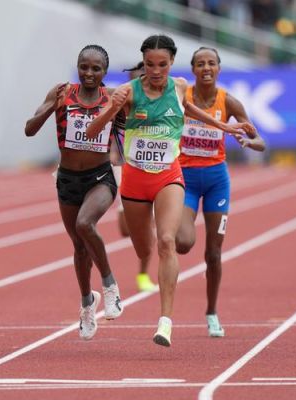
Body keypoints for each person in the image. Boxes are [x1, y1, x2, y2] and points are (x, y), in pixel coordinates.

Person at [86, 34, 255, 347]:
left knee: (167, 240)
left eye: (162, 64)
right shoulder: (128, 92)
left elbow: (189, 109)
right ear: (144, 63)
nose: (156, 70)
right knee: (143, 247)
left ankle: (165, 321)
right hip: (135, 181)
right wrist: (113, 110)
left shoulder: (178, 86)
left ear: (172, 63)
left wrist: (226, 127)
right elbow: (92, 130)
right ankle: (143, 255)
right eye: (150, 64)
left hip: (169, 176)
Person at [24, 45, 123, 341]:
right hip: (67, 179)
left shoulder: (113, 98)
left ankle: (110, 285)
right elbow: (29, 129)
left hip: (100, 178)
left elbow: (133, 129)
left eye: (96, 69)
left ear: (105, 72)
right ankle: (87, 304)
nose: (89, 73)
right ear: (78, 67)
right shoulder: (62, 92)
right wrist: (49, 108)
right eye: (84, 67)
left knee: (85, 224)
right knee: (80, 248)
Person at [175, 47, 265, 337]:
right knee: (183, 242)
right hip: (185, 178)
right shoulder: (181, 97)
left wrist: (251, 143)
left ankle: (212, 312)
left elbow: (260, 140)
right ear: (192, 69)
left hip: (216, 182)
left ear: (219, 69)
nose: (206, 68)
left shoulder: (229, 101)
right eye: (200, 64)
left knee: (213, 254)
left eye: (211, 63)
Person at [111, 62, 156, 292]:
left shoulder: (158, 101)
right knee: (125, 228)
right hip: (125, 166)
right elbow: (111, 133)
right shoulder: (122, 101)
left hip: (154, 169)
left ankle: (143, 274)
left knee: (150, 225)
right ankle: (145, 230)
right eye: (134, 78)